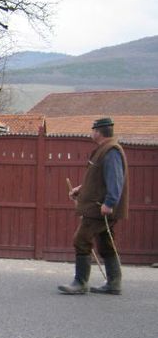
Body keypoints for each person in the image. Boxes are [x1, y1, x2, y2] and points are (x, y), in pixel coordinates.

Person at [58, 117, 128, 295]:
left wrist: (110, 202)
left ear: (98, 131)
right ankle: (114, 283)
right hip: (98, 206)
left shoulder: (111, 151)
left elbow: (115, 180)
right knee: (105, 243)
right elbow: (98, 179)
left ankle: (80, 283)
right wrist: (80, 190)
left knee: (81, 240)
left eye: (93, 130)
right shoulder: (103, 150)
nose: (91, 133)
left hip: (99, 208)